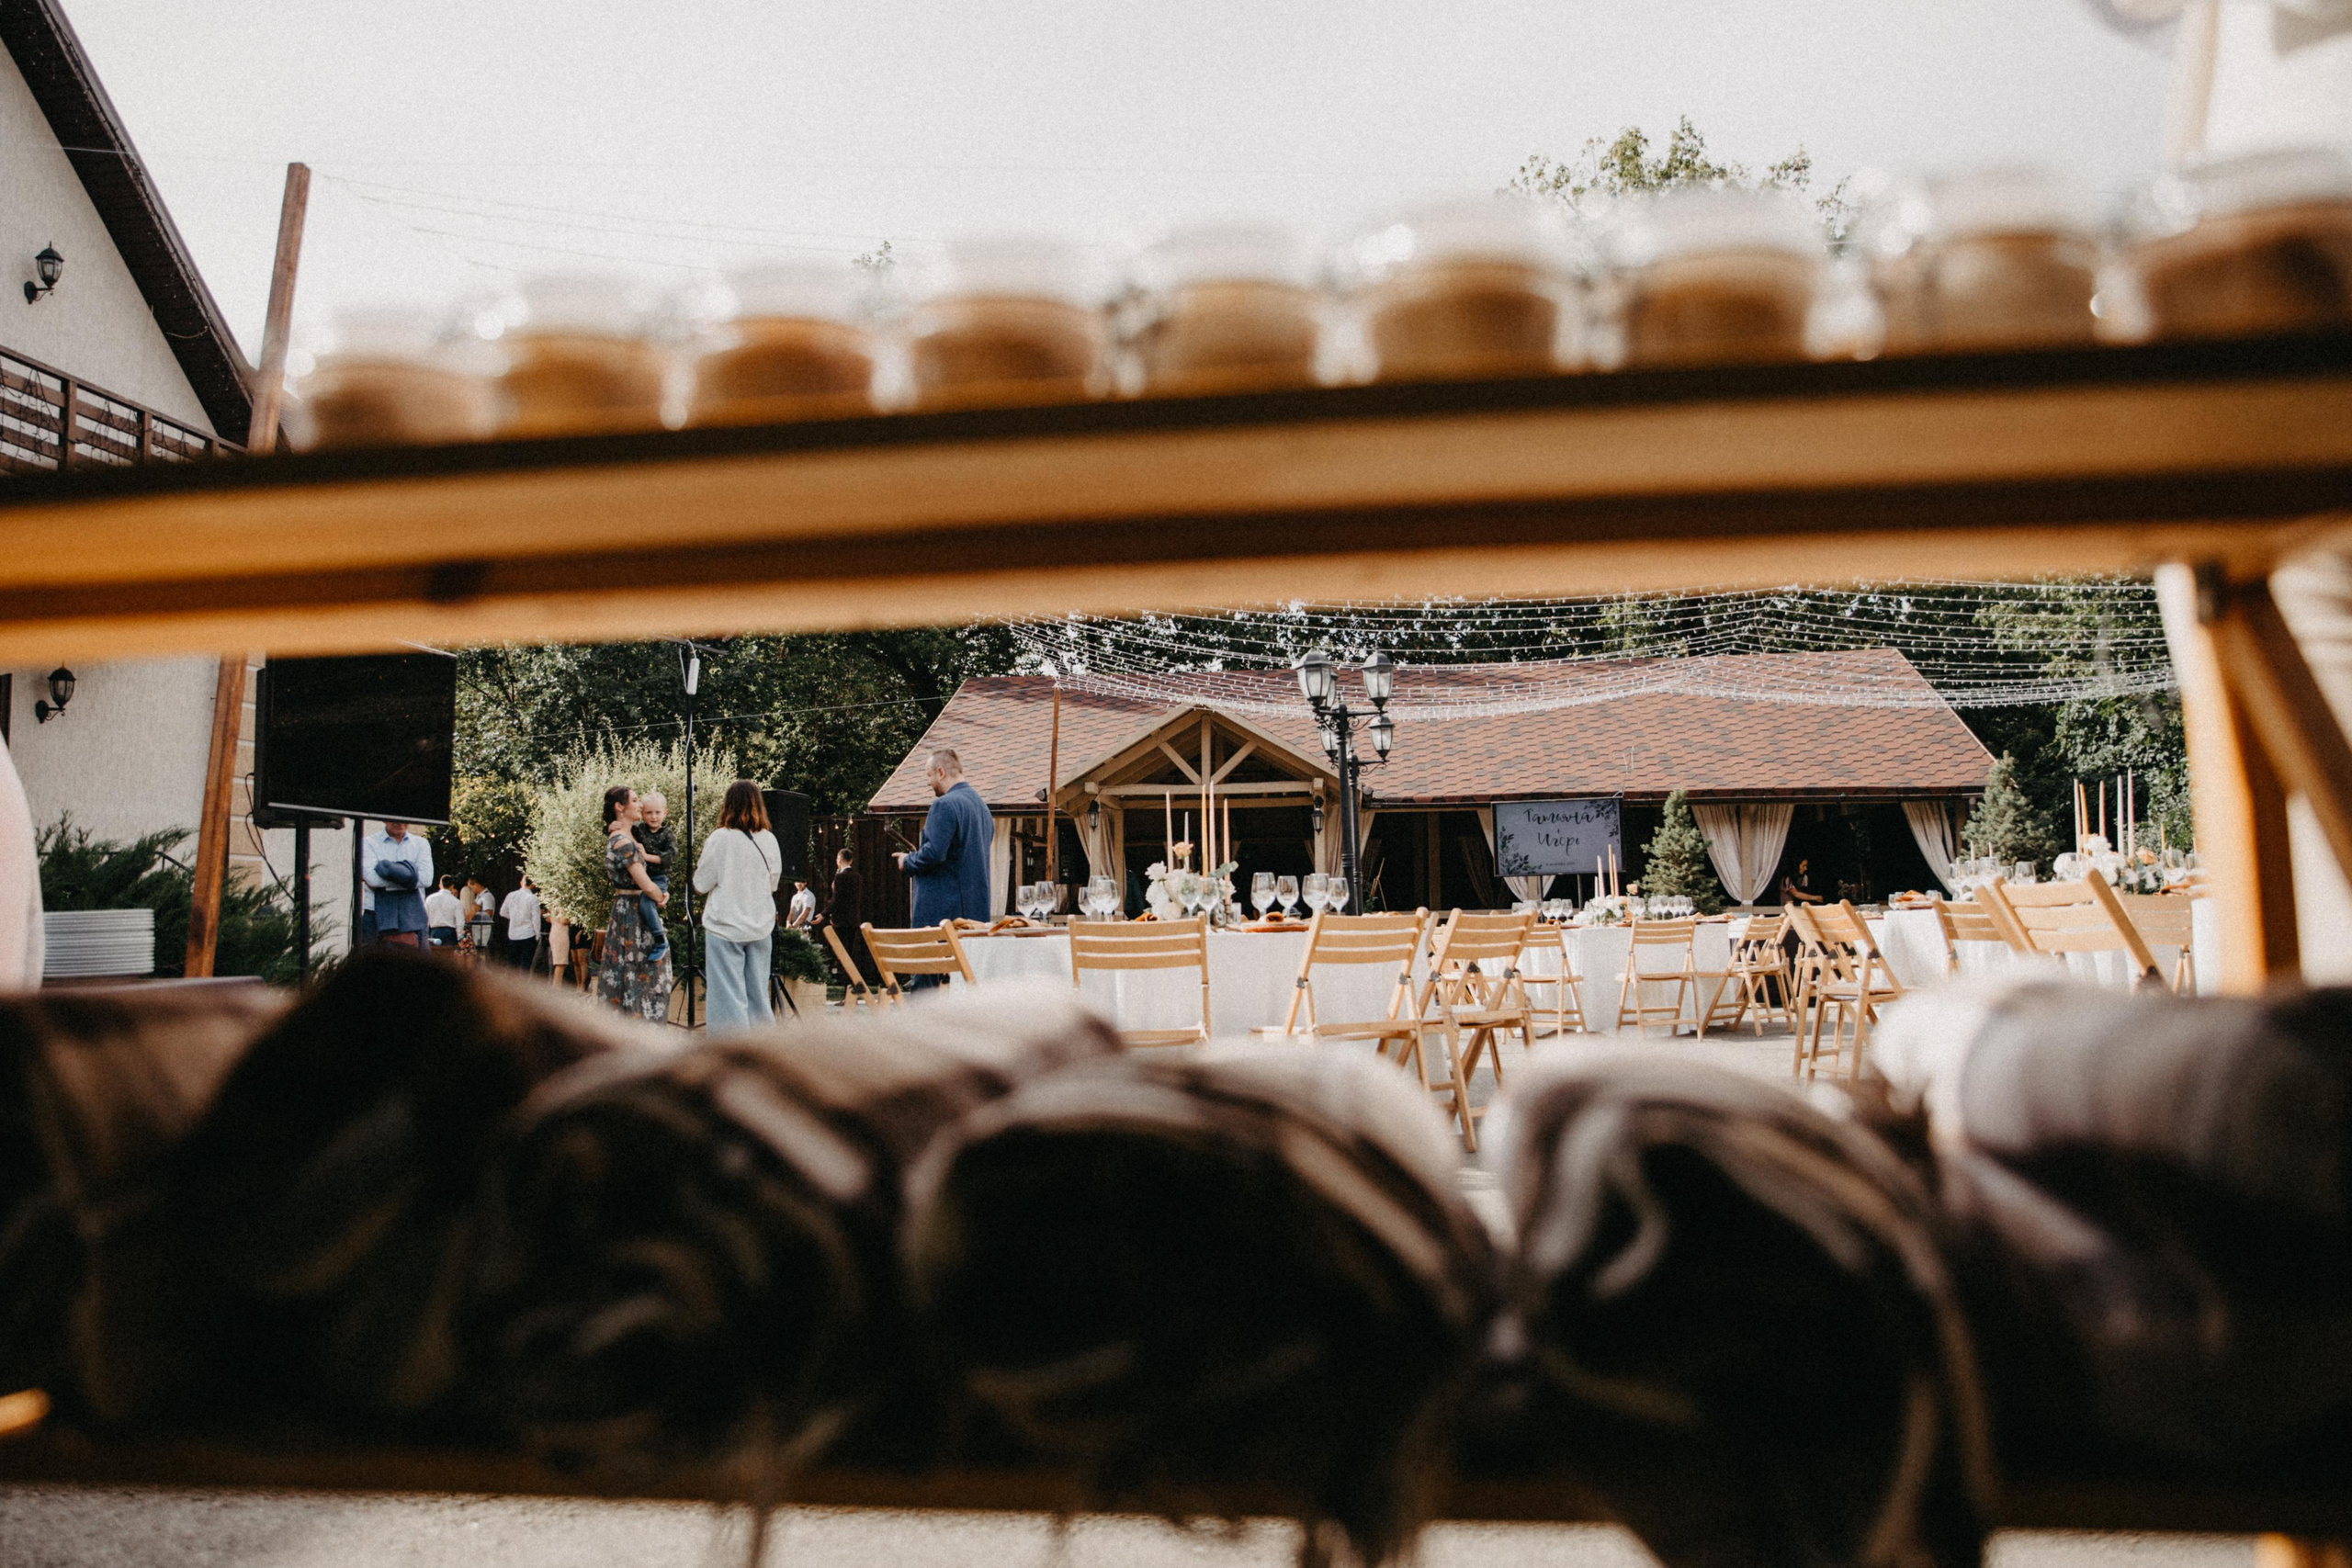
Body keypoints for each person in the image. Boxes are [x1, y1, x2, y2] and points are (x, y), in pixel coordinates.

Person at [693, 780, 783, 1032]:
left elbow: (701, 883)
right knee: (758, 998)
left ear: (728, 805)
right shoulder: (770, 840)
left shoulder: (719, 839)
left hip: (725, 927)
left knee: (727, 1001)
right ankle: (763, 1053)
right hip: (760, 926)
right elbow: (773, 884)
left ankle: (729, 1058)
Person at [598, 784, 671, 1021]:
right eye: (636, 800)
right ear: (620, 807)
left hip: (634, 910)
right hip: (632, 913)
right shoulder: (623, 842)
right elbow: (645, 883)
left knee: (636, 973)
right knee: (638, 973)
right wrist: (661, 897)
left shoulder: (631, 835)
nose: (641, 805)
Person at [362, 820, 434, 948]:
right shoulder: (368, 843)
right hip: (375, 915)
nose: (400, 822)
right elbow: (372, 879)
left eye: (405, 818)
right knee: (372, 965)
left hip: (413, 915)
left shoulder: (421, 843)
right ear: (384, 818)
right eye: (394, 818)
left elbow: (426, 879)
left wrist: (388, 872)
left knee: (418, 966)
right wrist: (410, 875)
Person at [815, 844, 873, 986]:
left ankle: (847, 982)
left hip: (841, 921)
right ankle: (850, 982)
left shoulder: (840, 877)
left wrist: (823, 914)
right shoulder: (858, 877)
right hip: (853, 920)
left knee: (841, 953)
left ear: (839, 860)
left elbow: (837, 900)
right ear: (851, 860)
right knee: (849, 952)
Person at [633, 791, 676, 964]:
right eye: (649, 813)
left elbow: (669, 857)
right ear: (642, 814)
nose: (653, 817)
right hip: (641, 877)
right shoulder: (639, 830)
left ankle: (660, 939)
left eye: (657, 812)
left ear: (664, 813)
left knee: (646, 902)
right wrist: (612, 825)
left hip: (658, 878)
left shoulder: (667, 834)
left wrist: (645, 856)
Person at [499, 875, 543, 970]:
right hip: (528, 933)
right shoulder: (533, 898)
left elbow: (502, 912)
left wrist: (514, 917)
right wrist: (537, 934)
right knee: (525, 964)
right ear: (532, 885)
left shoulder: (511, 895)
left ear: (521, 883)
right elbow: (536, 918)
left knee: (512, 964)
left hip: (513, 933)